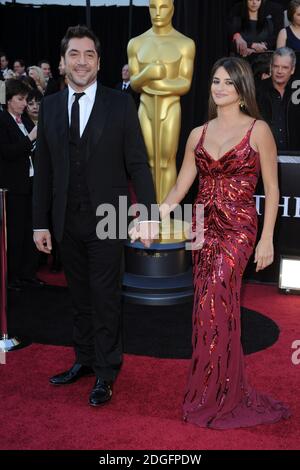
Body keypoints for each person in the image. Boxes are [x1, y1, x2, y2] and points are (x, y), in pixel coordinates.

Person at [132, 57, 291, 428]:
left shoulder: (259, 130)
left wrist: (267, 239)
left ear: (241, 89)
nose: (219, 88)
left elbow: (272, 189)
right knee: (208, 305)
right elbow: (180, 187)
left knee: (218, 292)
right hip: (202, 227)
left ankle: (222, 391)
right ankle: (214, 388)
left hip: (238, 228)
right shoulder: (197, 134)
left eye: (227, 82)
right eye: (215, 81)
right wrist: (156, 219)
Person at [33, 25, 159, 406]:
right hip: (65, 219)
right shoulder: (51, 105)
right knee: (79, 297)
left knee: (105, 297)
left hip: (110, 216)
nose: (82, 61)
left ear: (99, 63)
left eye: (89, 55)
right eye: (74, 54)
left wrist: (149, 215)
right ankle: (84, 360)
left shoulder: (119, 104)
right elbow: (44, 168)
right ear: (62, 62)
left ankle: (106, 371)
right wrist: (40, 221)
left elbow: (138, 163)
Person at [128, 0, 195, 203]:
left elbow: (185, 83)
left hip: (170, 106)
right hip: (146, 106)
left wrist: (156, 84)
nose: (157, 13)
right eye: (152, 7)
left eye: (163, 7)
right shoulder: (136, 43)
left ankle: (164, 213)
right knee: (146, 160)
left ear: (172, 9)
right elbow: (134, 83)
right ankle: (149, 211)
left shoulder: (184, 43)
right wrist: (149, 72)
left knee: (166, 159)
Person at [0, 79, 43, 290]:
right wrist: (31, 137)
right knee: (15, 234)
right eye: (20, 99)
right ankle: (13, 277)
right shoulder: (2, 121)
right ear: (8, 100)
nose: (25, 103)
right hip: (13, 187)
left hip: (31, 184)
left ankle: (28, 273)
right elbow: (7, 153)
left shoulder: (24, 121)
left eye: (26, 99)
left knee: (30, 231)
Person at [256, 47, 300, 151]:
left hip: (295, 157)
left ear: (292, 69)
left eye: (285, 67)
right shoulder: (258, 91)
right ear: (271, 67)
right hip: (264, 154)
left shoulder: (297, 92)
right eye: (276, 66)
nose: (280, 71)